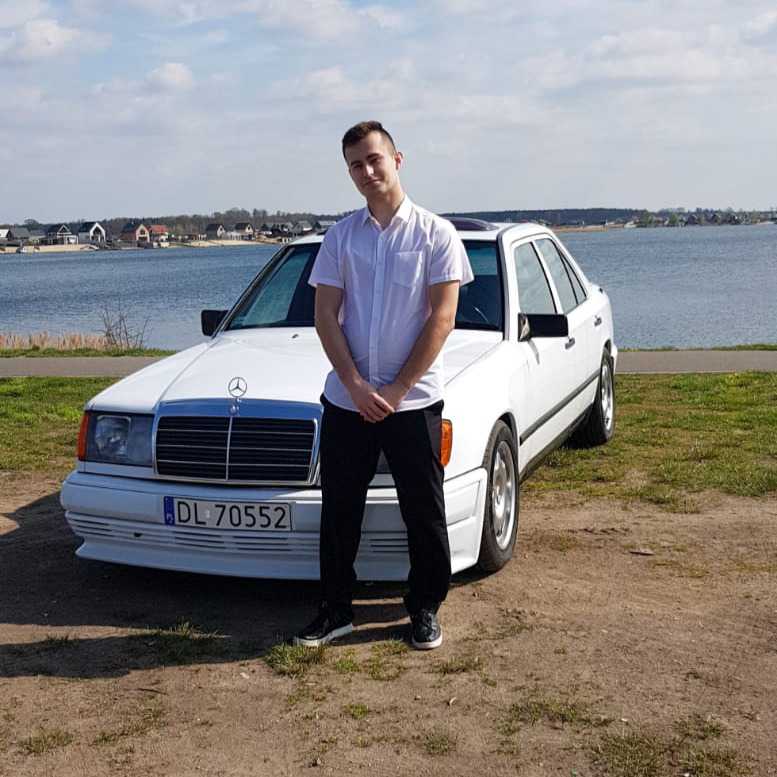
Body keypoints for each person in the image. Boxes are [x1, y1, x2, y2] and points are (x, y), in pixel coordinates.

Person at [294, 120, 473, 650]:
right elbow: (325, 316)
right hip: (347, 401)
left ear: (397, 160)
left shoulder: (436, 234)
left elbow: (442, 318)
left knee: (423, 509)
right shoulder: (340, 238)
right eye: (356, 164)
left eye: (374, 159)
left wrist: (396, 390)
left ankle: (425, 608)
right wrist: (353, 384)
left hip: (413, 401)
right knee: (339, 510)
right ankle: (335, 611)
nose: (367, 171)